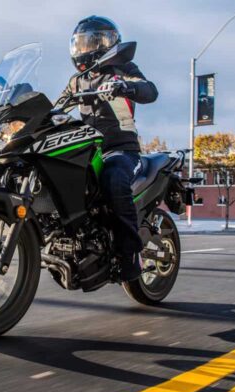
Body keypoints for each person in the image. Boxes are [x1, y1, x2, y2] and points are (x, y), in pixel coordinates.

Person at [54, 16, 158, 282]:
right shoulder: (77, 81)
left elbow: (150, 91)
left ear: (108, 43)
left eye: (91, 42)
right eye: (80, 43)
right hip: (89, 150)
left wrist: (125, 86)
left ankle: (130, 254)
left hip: (122, 149)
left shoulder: (122, 68)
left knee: (114, 179)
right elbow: (57, 107)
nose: (85, 49)